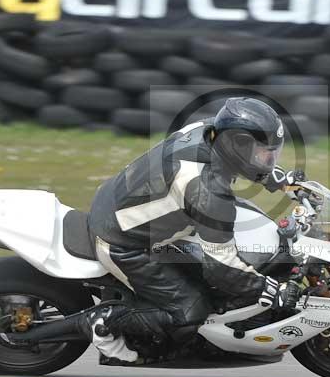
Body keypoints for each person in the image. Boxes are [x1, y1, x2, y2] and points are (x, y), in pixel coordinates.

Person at [83, 97, 304, 363]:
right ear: (237, 145)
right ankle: (104, 322)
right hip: (122, 242)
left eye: (272, 154)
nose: (268, 160)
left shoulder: (209, 130)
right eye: (263, 154)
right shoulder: (207, 192)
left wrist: (283, 182)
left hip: (119, 200)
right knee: (191, 311)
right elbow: (221, 267)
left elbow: (244, 161)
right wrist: (268, 289)